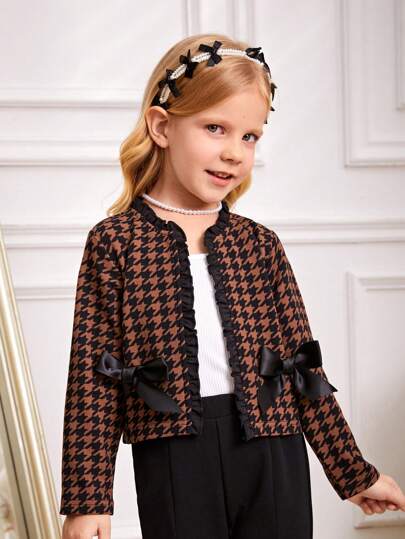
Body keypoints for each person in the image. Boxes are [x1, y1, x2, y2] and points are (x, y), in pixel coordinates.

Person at [60, 33, 405, 539]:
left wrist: (353, 472)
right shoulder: (116, 243)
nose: (233, 153)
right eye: (215, 128)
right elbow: (93, 379)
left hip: (273, 447)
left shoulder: (259, 244)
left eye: (250, 137)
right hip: (175, 453)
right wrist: (87, 500)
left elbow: (304, 370)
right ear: (161, 126)